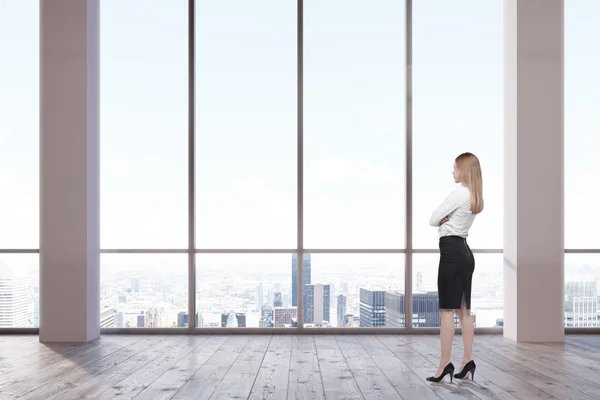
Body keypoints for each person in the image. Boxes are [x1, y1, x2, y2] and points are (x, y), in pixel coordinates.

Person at [426, 152, 483, 383]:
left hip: (451, 253)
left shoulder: (459, 193)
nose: (452, 171)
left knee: (447, 313)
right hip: (466, 253)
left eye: (455, 167)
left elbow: (432, 218)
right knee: (465, 312)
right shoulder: (474, 195)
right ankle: (467, 360)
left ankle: (444, 365)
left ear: (463, 169)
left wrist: (442, 220)